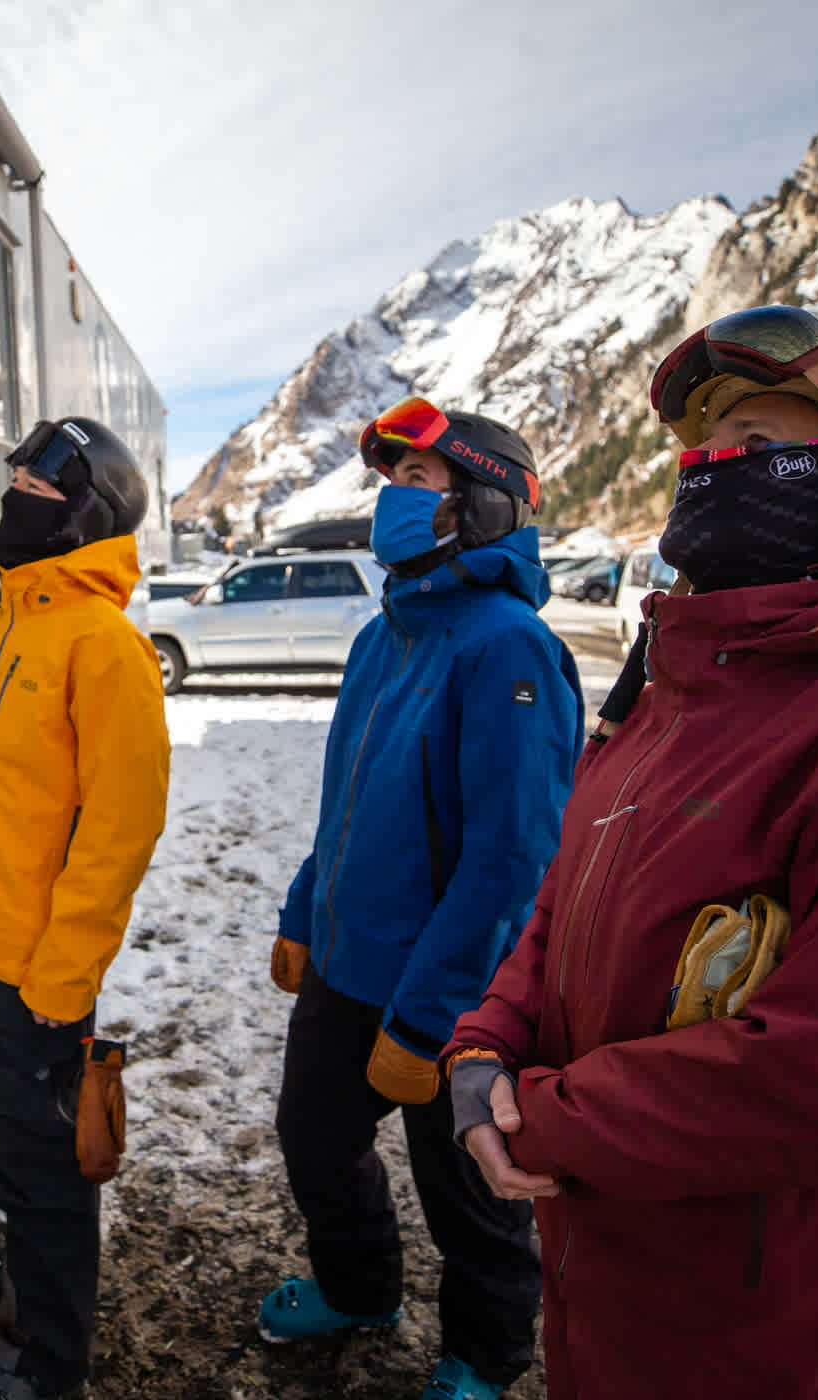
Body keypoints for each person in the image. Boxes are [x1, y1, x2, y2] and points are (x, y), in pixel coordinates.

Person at [445, 305, 818, 1399]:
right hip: (609, 1270)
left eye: (763, 448)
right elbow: (564, 904)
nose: (715, 470)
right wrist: (486, 1044)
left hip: (770, 1325)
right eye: (705, 450)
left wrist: (538, 1115)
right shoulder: (678, 691)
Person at [262, 398, 584, 1400]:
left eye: (417, 481)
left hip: (457, 998)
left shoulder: (508, 648)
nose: (392, 500)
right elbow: (348, 800)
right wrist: (303, 909)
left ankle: (486, 1354)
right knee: (314, 1138)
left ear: (484, 504)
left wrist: (434, 1011)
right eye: (390, 480)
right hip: (349, 964)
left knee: (469, 1190)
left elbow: (512, 859)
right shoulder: (381, 636)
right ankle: (361, 1287)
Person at [0, 416, 171, 1400]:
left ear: (86, 509)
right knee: (11, 1129)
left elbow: (120, 833)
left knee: (48, 1164)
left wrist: (63, 976)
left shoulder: (106, 648)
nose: (14, 493)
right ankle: (28, 1267)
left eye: (37, 482)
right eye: (14, 475)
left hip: (41, 967)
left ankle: (44, 1358)